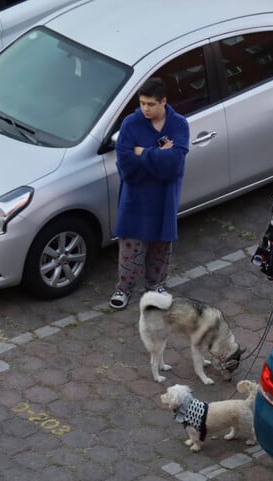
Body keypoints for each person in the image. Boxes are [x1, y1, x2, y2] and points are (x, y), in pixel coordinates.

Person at [110, 77, 190, 310]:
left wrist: (143, 153)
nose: (145, 108)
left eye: (151, 104)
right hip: (135, 198)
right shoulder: (130, 124)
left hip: (164, 199)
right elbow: (125, 163)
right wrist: (158, 155)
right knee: (129, 248)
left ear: (163, 101)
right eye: (142, 103)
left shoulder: (179, 125)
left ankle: (155, 286)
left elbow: (174, 164)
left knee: (160, 245)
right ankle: (123, 289)